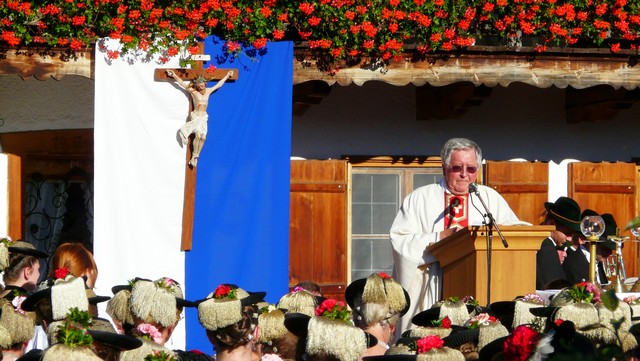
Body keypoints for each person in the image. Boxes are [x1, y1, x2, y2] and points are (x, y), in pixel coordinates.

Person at [389, 137, 525, 335]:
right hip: (432, 289)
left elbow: (514, 233)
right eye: (457, 168)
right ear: (444, 168)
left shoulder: (489, 198)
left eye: (471, 169)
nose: (464, 174)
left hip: (479, 288)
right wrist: (439, 236)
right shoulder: (420, 198)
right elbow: (399, 240)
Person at [166, 69, 234, 167]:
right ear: (196, 85)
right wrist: (174, 75)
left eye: (202, 84)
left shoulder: (208, 91)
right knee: (198, 135)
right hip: (196, 116)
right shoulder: (194, 92)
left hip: (203, 117)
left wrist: (227, 75)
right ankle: (194, 156)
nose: (200, 86)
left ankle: (196, 156)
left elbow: (219, 84)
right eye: (198, 84)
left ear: (205, 84)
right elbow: (182, 84)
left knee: (203, 137)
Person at [535, 196, 578, 289]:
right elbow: (551, 288)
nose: (569, 239)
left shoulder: (548, 245)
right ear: (552, 224)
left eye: (572, 234)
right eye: (567, 233)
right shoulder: (546, 246)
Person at [563, 213, 617, 285]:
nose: (609, 252)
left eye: (611, 249)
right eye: (604, 247)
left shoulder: (598, 263)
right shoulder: (572, 264)